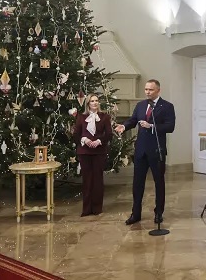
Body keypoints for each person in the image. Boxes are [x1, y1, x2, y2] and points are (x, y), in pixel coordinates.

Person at [116, 79, 176, 225]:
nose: (147, 92)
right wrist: (124, 126)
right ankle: (135, 214)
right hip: (141, 151)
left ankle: (159, 213)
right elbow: (133, 120)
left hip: (156, 150)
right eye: (146, 89)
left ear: (158, 91)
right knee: (137, 184)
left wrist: (152, 126)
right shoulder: (141, 105)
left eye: (151, 90)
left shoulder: (167, 106)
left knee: (159, 183)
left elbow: (170, 126)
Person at [73, 94, 113, 216]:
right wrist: (84, 140)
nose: (95, 103)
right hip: (85, 152)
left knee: (97, 180)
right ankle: (86, 209)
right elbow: (76, 134)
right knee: (87, 180)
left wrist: (99, 141)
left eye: (96, 101)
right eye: (92, 101)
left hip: (99, 152)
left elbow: (109, 134)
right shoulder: (81, 117)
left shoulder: (105, 117)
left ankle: (97, 208)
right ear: (88, 103)